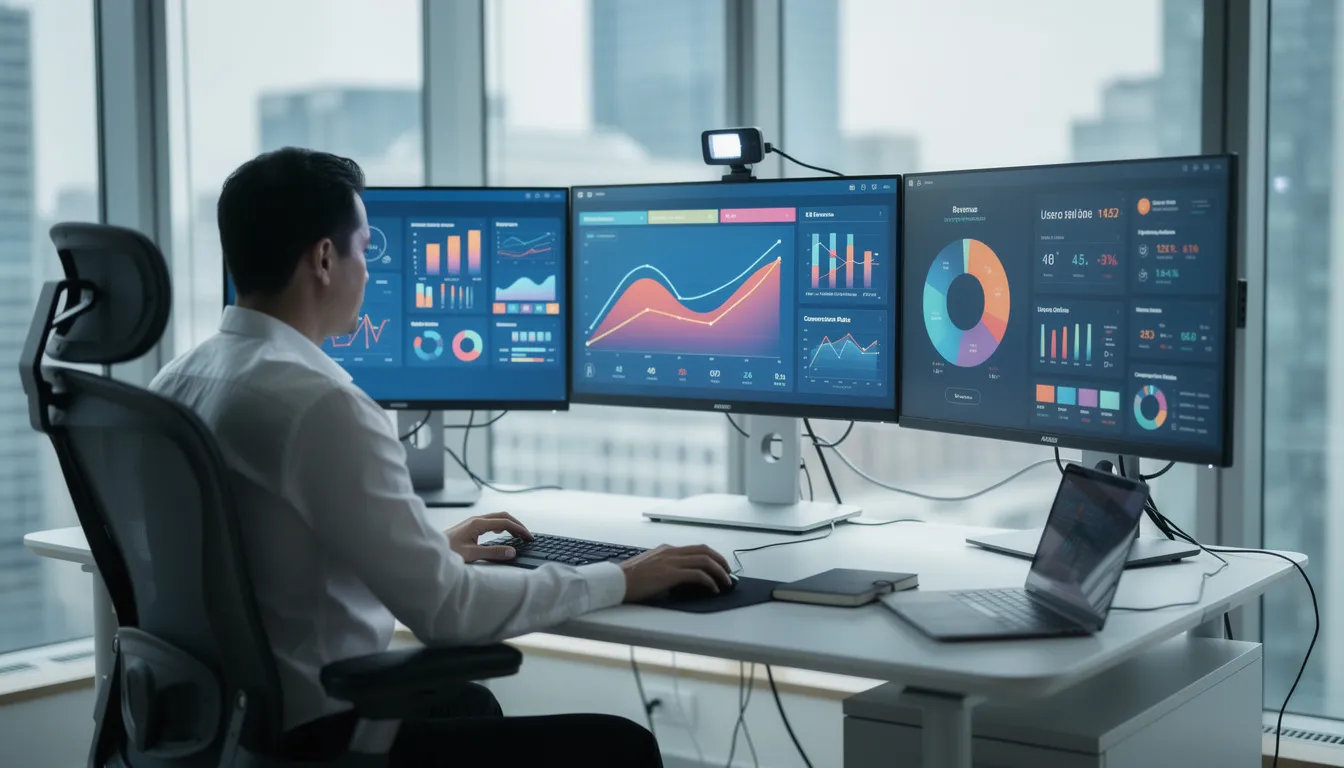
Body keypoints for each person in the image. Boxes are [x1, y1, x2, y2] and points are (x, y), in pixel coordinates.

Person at [150, 147, 733, 766]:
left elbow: (263, 556)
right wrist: (623, 576)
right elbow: (450, 615)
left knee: (468, 703)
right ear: (323, 259)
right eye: (364, 250)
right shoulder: (320, 405)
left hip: (221, 727)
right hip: (313, 736)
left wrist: (428, 552)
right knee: (621, 747)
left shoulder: (176, 383)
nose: (369, 272)